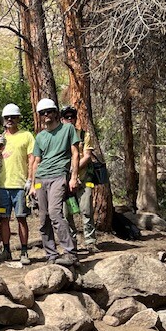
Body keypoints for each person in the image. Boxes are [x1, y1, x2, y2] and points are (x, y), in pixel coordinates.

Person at [29, 98, 80, 266]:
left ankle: (70, 252)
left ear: (56, 113)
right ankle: (51, 255)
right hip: (41, 179)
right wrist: (32, 184)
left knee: (55, 213)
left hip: (59, 175)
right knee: (43, 218)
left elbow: (75, 153)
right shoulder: (41, 136)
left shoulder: (68, 129)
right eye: (43, 113)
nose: (46, 115)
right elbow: (36, 161)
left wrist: (73, 177)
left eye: (49, 112)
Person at [0, 103, 35, 266]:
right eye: (7, 117)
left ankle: (24, 251)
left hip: (19, 185)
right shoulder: (1, 137)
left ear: (18, 118)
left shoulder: (26, 136)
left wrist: (31, 180)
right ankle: (6, 250)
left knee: (21, 218)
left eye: (13, 117)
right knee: (3, 218)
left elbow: (32, 159)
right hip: (2, 186)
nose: (10, 119)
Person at [61, 106, 98, 253]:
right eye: (67, 117)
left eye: (72, 117)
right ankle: (72, 242)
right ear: (62, 119)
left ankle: (90, 241)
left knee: (86, 210)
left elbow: (87, 156)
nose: (70, 119)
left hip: (84, 179)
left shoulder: (84, 135)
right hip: (64, 181)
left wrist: (74, 169)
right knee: (66, 213)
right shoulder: (59, 136)